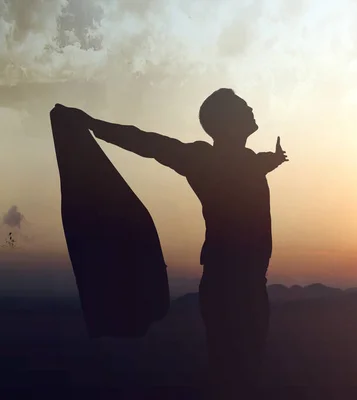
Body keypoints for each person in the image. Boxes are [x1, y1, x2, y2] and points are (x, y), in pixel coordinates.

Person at [59, 88, 288, 394]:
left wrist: (273, 160)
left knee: (247, 376)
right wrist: (94, 124)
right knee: (231, 377)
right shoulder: (202, 159)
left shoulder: (246, 160)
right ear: (227, 121)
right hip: (227, 288)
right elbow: (150, 143)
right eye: (242, 106)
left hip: (252, 286)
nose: (250, 108)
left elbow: (252, 165)